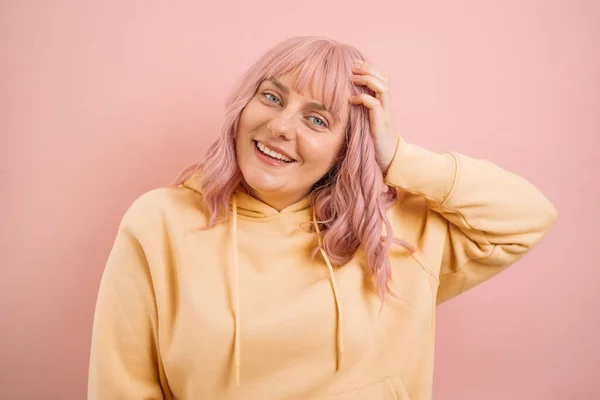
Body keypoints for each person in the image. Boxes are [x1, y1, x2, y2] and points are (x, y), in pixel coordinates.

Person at [87, 36, 557, 400]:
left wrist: (396, 157)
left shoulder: (393, 232)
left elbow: (529, 215)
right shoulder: (160, 223)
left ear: (347, 147)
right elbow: (123, 387)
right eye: (272, 97)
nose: (280, 127)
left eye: (317, 119)